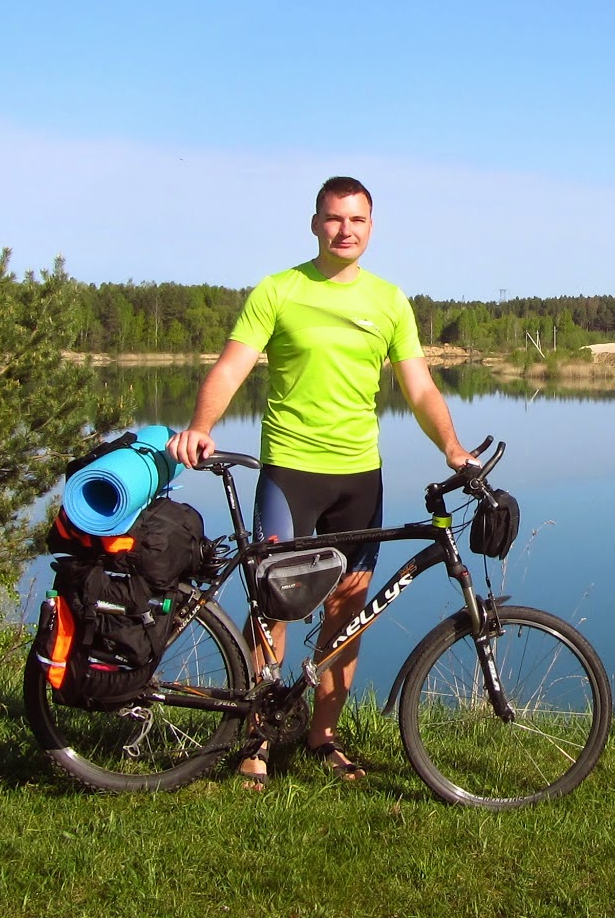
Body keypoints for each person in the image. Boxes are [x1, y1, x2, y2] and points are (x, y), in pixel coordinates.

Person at [166, 176, 473, 785]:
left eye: (356, 220)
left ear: (371, 227)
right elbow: (231, 367)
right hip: (290, 472)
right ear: (315, 224)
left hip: (359, 476)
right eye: (334, 218)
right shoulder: (279, 290)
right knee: (273, 605)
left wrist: (451, 447)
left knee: (349, 606)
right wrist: (201, 426)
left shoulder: (389, 301)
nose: (344, 230)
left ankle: (322, 737)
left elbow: (418, 386)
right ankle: (256, 739)